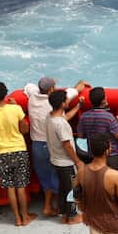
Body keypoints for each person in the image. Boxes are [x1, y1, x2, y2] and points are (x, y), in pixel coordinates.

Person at [24, 77, 88, 216]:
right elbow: (78, 88)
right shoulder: (57, 112)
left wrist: (77, 107)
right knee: (59, 178)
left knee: (46, 177)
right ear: (52, 90)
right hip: (51, 147)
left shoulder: (33, 98)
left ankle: (50, 206)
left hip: (36, 145)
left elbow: (28, 85)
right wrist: (82, 83)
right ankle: (61, 210)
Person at [0, 81, 35, 227]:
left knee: (10, 187)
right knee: (21, 186)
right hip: (19, 150)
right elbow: (24, 130)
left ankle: (16, 218)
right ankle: (25, 217)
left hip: (1, 153)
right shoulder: (15, 109)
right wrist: (16, 106)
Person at [46, 89, 84, 225]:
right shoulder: (60, 124)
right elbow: (67, 145)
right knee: (71, 189)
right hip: (66, 162)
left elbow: (65, 117)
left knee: (63, 187)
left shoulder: (50, 117)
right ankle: (73, 217)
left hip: (56, 160)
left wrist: (78, 106)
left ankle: (64, 213)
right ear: (62, 104)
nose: (68, 101)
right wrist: (78, 161)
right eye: (67, 100)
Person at [76, 87, 118, 171]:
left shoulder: (84, 116)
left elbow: (80, 136)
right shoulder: (109, 117)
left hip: (93, 154)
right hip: (110, 155)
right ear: (103, 101)